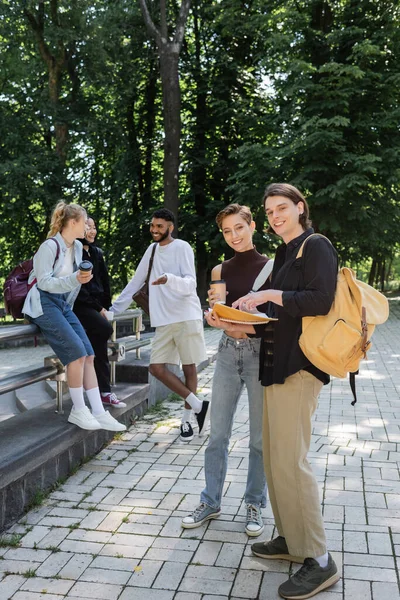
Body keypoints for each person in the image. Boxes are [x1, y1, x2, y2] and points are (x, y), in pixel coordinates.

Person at [205, 184, 340, 599]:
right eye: (269, 210)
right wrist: (232, 323)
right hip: (274, 368)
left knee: (292, 463)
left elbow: (321, 300)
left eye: (283, 207)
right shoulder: (286, 253)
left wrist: (266, 293)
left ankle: (317, 559)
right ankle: (289, 540)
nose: (275, 215)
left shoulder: (315, 245)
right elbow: (279, 320)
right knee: (277, 461)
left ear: (301, 207)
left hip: (300, 369)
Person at [181, 204, 272, 537]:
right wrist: (213, 318)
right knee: (217, 434)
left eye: (239, 228)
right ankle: (211, 501)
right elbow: (219, 313)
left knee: (260, 440)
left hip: (260, 356)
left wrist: (239, 329)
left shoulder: (272, 269)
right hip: (226, 355)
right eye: (227, 231)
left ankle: (254, 504)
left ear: (252, 226)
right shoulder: (219, 270)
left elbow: (276, 320)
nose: (234, 236)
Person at [23, 202, 126, 433]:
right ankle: (78, 410)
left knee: (88, 354)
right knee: (77, 355)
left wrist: (80, 281)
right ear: (73, 223)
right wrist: (75, 280)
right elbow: (44, 282)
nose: (88, 225)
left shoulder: (78, 248)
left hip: (63, 304)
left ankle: (99, 411)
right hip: (43, 302)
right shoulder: (49, 247)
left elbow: (74, 284)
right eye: (84, 221)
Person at [110, 207, 209, 441]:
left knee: (188, 368)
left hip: (185, 315)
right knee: (156, 368)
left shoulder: (182, 247)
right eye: (152, 226)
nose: (154, 230)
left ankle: (186, 422)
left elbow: (190, 284)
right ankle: (198, 405)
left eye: (159, 227)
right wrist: (112, 311)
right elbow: (136, 282)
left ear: (170, 227)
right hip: (164, 320)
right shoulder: (152, 249)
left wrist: (169, 279)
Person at [73, 217, 125, 408]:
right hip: (81, 305)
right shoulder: (74, 253)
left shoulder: (97, 252)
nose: (92, 231)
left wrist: (107, 306)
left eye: (94, 227)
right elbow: (78, 289)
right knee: (103, 331)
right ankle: (93, 391)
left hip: (98, 307)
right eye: (88, 227)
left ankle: (105, 392)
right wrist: (98, 308)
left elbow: (104, 282)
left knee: (100, 348)